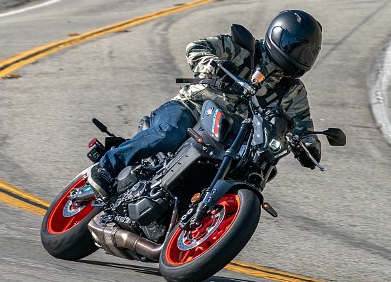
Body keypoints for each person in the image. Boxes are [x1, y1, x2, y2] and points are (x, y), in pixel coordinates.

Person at [87, 10, 325, 197]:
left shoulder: (292, 90)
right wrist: (213, 66)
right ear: (277, 35)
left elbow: (302, 122)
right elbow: (196, 48)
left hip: (232, 137)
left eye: (306, 53)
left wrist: (310, 146)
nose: (298, 56)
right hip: (194, 107)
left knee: (248, 169)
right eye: (294, 47)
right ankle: (107, 167)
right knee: (170, 133)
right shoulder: (244, 49)